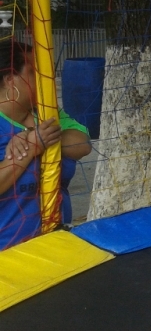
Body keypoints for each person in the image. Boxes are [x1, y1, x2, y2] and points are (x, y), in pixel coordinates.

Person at [0, 38, 92, 250]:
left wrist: (32, 133)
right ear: (11, 80)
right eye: (34, 72)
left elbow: (82, 145)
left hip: (56, 241)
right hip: (8, 251)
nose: (45, 79)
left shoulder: (48, 113)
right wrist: (32, 148)